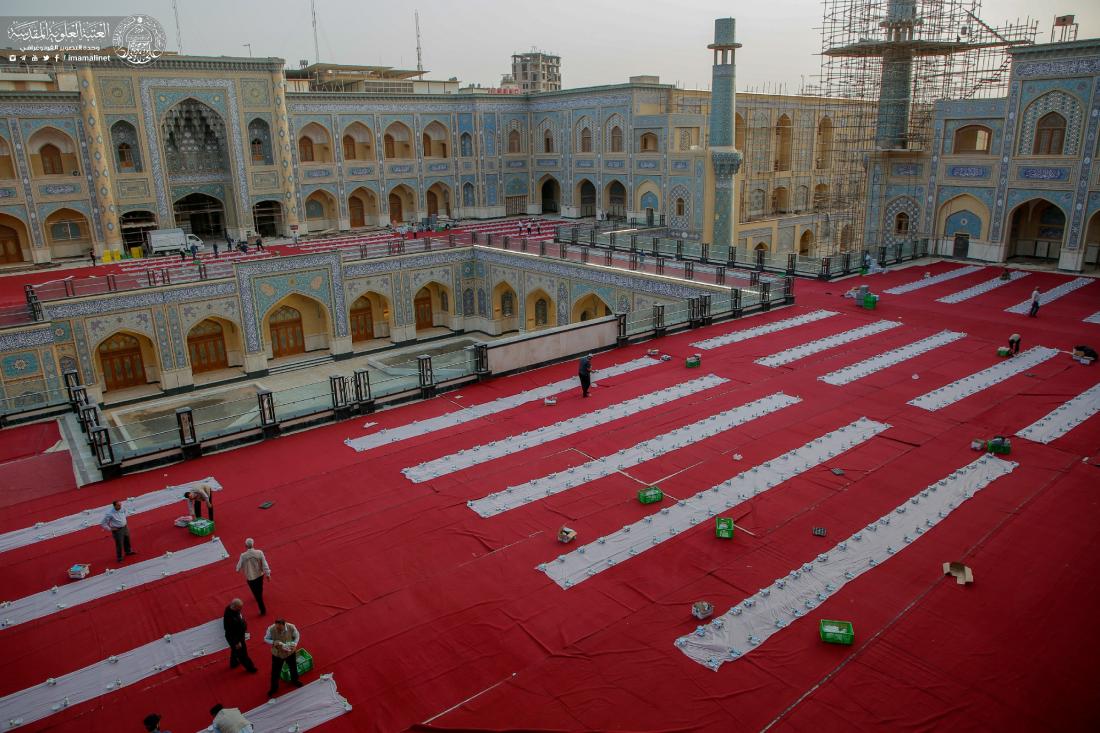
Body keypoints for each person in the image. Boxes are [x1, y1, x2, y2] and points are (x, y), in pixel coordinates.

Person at [264, 618, 304, 698]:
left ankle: (295, 681)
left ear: (284, 624)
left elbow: (297, 635)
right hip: (277, 654)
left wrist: (295, 644)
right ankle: (274, 688)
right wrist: (273, 642)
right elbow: (265, 639)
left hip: (290, 652)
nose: (278, 629)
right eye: (277, 628)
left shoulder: (291, 627)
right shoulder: (271, 629)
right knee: (275, 672)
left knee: (293, 667)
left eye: (279, 628)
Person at [236, 538, 271, 615]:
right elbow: (265, 564)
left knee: (255, 591)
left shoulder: (243, 556)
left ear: (245, 546)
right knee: (260, 587)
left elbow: (237, 568)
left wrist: (241, 568)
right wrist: (268, 574)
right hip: (260, 574)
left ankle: (262, 609)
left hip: (250, 577)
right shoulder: (259, 552)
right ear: (253, 544)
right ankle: (259, 597)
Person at [223, 598, 258, 673]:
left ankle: (234, 663)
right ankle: (250, 668)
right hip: (236, 638)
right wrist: (236, 642)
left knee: (235, 650)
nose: (241, 609)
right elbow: (230, 631)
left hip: (238, 636)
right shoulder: (230, 618)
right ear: (235, 606)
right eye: (240, 608)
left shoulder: (232, 609)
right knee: (242, 653)